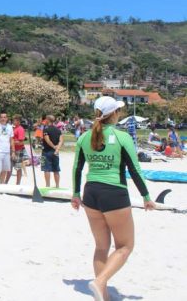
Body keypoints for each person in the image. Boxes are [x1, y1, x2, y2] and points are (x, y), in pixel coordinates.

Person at [72, 96, 155, 301]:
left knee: (101, 246)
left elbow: (77, 168)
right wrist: (146, 196)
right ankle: (100, 283)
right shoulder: (121, 136)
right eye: (119, 110)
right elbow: (135, 169)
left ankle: (104, 296)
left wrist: (75, 194)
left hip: (90, 193)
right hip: (114, 194)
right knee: (125, 246)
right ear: (114, 114)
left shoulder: (84, 137)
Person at [0, 113, 14, 185]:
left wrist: (13, 151)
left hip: (6, 151)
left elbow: (11, 139)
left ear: (7, 118)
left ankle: (1, 184)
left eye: (5, 117)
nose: (3, 119)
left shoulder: (10, 127)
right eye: (2, 117)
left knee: (4, 170)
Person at [42, 115, 64, 188]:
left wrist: (54, 147)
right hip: (55, 152)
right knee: (56, 169)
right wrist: (57, 149)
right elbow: (61, 141)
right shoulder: (58, 130)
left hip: (46, 151)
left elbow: (47, 140)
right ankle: (57, 185)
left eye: (46, 119)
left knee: (46, 169)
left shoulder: (46, 130)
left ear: (48, 120)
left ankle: (47, 185)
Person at [12, 115, 27, 185]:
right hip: (13, 149)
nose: (13, 121)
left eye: (14, 120)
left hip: (19, 150)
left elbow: (21, 141)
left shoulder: (20, 129)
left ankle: (18, 183)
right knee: (11, 167)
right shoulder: (15, 128)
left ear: (18, 121)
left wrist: (11, 142)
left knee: (18, 167)